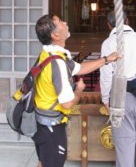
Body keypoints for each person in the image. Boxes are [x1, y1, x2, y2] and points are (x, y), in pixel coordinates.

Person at [33, 14, 120, 167]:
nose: (65, 22)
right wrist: (78, 91)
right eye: (60, 22)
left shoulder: (49, 54)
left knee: (43, 161)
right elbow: (67, 104)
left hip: (42, 120)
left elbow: (80, 68)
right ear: (55, 35)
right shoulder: (57, 63)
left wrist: (107, 59)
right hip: (52, 125)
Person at [100, 11, 136, 167]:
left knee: (124, 142)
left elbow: (106, 75)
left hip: (120, 95)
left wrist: (106, 98)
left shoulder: (108, 43)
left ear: (108, 24)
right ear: (127, 20)